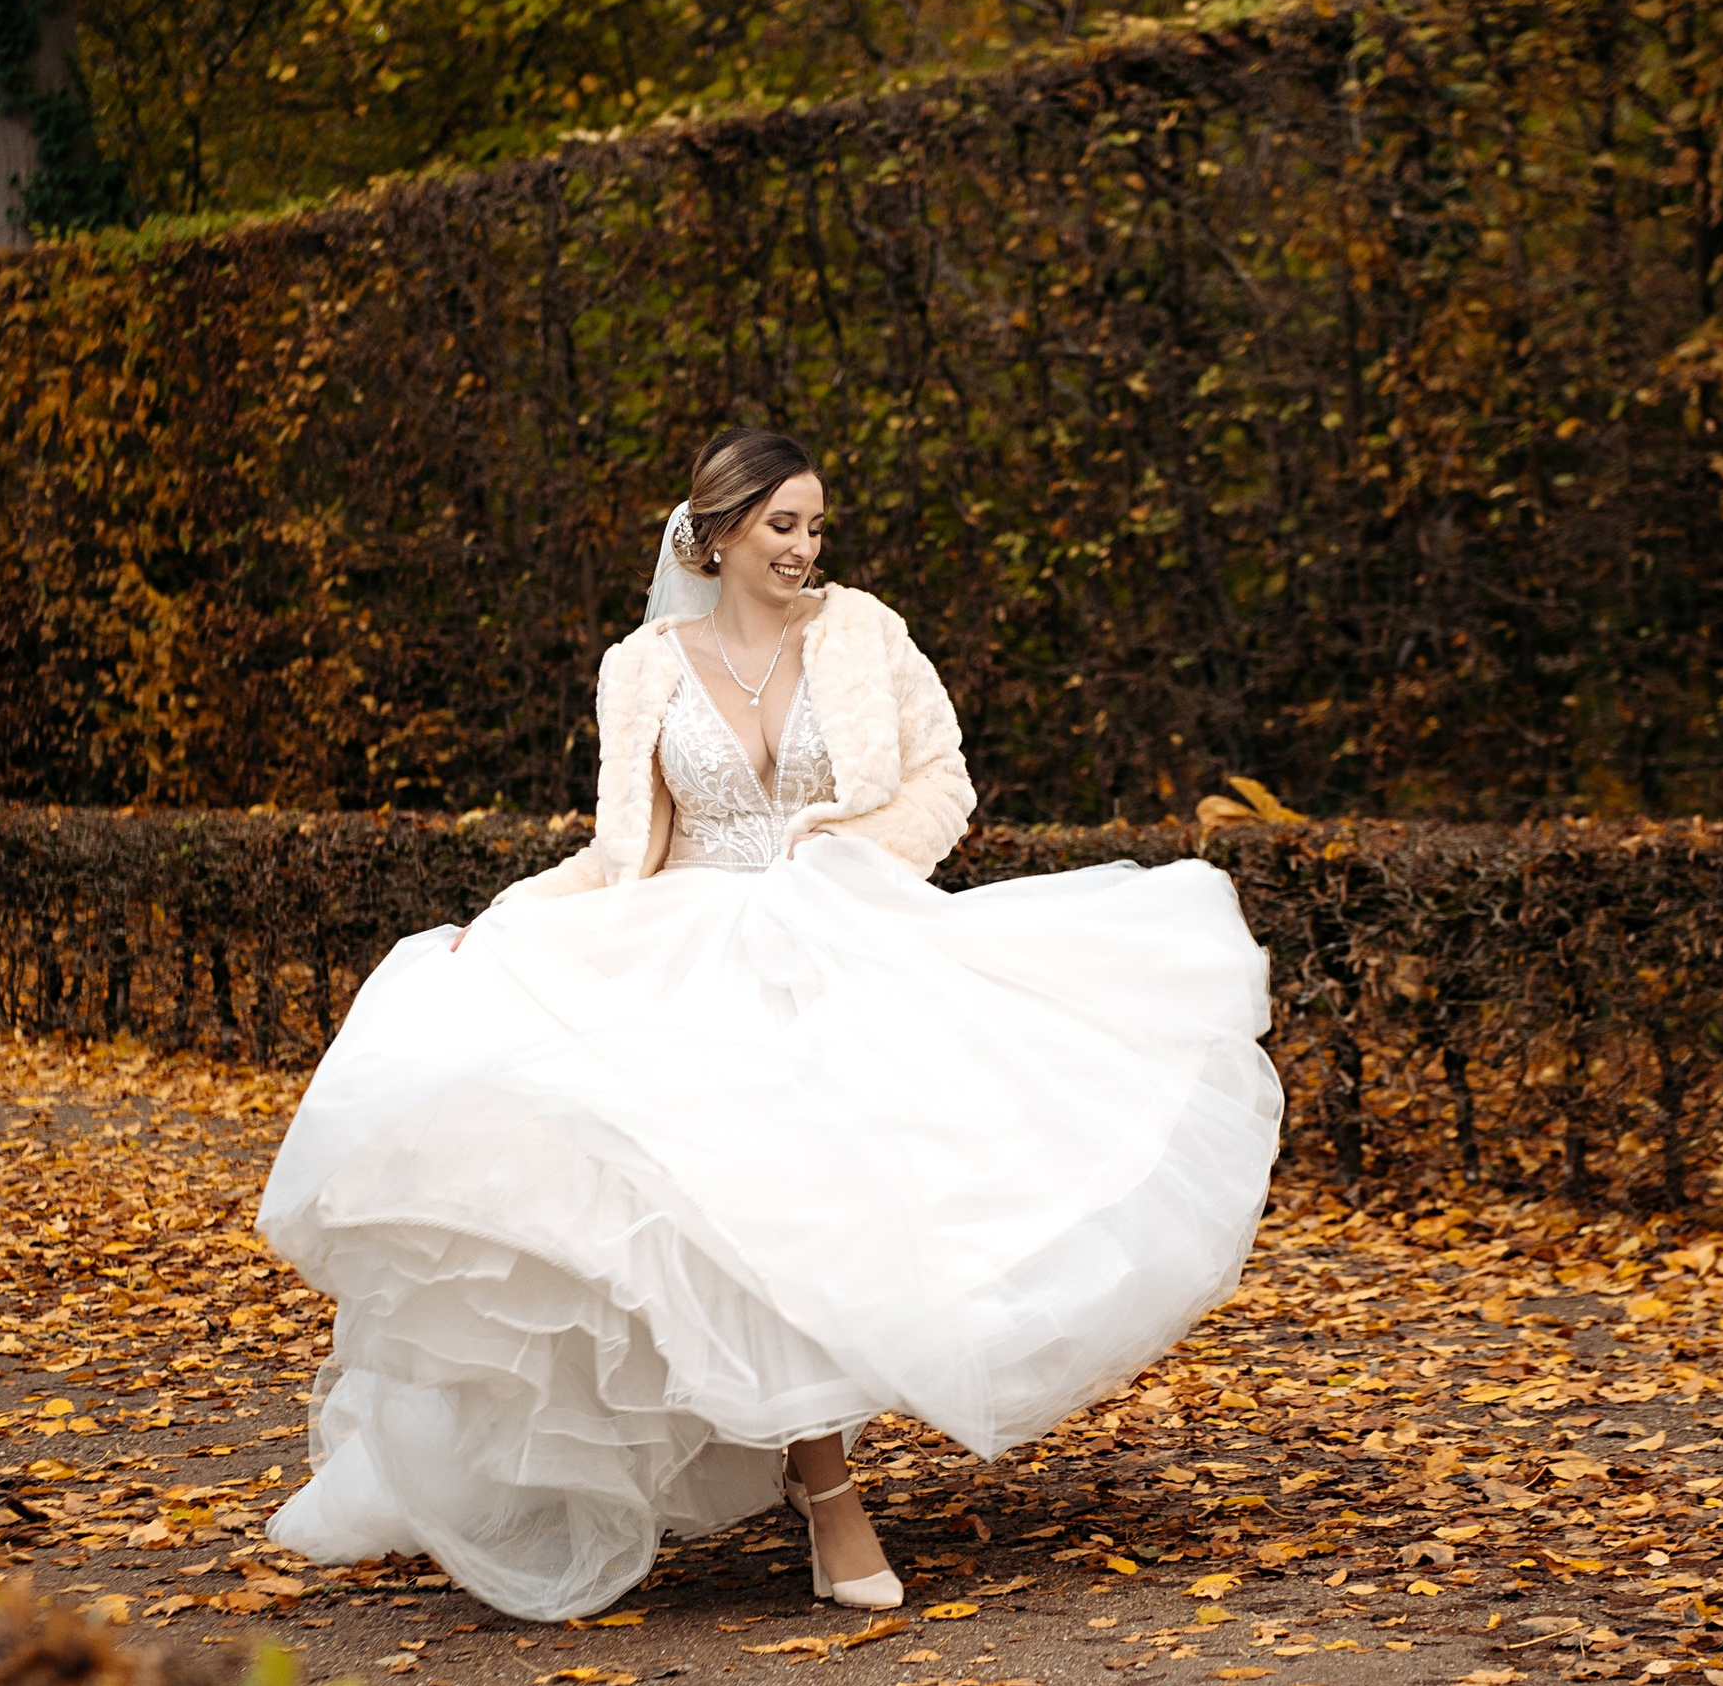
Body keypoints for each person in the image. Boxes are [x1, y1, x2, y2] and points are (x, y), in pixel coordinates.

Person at [255, 428, 1282, 1624]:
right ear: (721, 530)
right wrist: (507, 918)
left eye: (815, 526)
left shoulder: (865, 634)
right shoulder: (639, 667)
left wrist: (839, 857)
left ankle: (821, 1485)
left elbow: (942, 782)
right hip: (682, 954)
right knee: (739, 1214)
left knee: (831, 1209)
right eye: (782, 525)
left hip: (839, 940)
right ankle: (827, 1493)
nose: (803, 548)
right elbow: (617, 844)